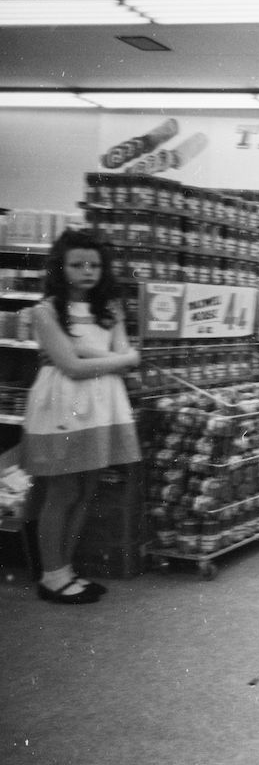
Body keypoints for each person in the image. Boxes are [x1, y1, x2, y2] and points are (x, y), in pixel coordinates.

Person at [21, 229, 141, 604]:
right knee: (63, 489)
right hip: (64, 405)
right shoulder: (45, 311)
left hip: (103, 405)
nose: (87, 271)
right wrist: (119, 359)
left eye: (94, 264)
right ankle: (52, 576)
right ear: (61, 266)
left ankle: (66, 569)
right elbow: (72, 367)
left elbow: (115, 359)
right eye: (77, 264)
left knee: (87, 488)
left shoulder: (111, 309)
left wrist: (89, 355)